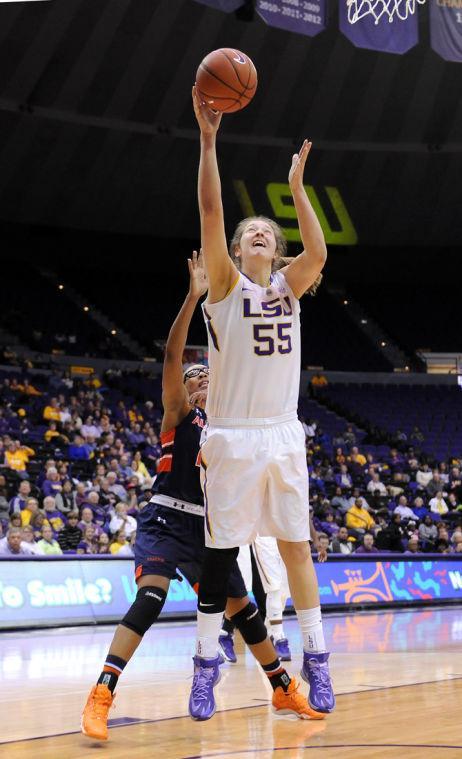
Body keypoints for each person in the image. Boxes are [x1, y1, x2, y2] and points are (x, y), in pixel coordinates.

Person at [81, 255, 314, 742]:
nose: (203, 379)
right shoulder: (179, 416)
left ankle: (283, 687)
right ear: (184, 392)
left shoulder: (230, 425)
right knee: (151, 598)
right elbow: (170, 359)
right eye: (195, 379)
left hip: (211, 530)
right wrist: (193, 297)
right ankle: (102, 693)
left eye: (207, 375)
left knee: (245, 612)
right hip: (166, 521)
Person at [188, 87, 334, 721]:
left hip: (280, 432)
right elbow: (213, 212)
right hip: (230, 433)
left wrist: (298, 189)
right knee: (220, 556)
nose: (251, 236)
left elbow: (320, 252)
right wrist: (209, 140)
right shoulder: (222, 287)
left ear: (273, 251)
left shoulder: (290, 288)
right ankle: (204, 666)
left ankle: (317, 659)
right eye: (246, 233)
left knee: (295, 547)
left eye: (261, 235)